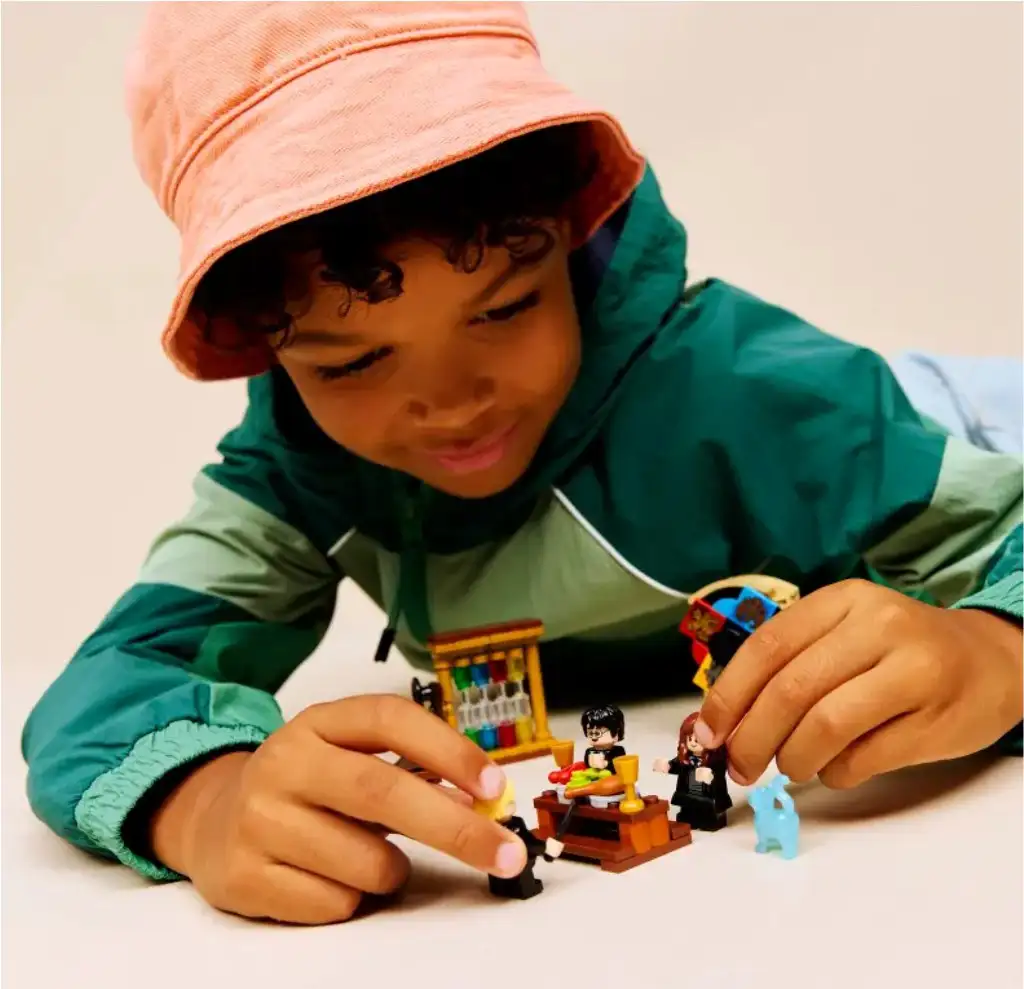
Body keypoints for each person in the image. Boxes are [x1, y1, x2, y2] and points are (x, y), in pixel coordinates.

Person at [21, 2, 1022, 925]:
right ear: (264, 348)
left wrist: (996, 651)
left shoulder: (749, 394)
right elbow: (110, 685)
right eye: (355, 361)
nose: (454, 402)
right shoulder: (294, 480)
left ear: (574, 233)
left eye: (502, 307)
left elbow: (995, 530)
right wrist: (205, 802)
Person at [473, 781, 564, 899]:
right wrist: (545, 848)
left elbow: (528, 838)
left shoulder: (515, 821)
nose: (512, 805)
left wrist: (544, 849)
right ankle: (524, 888)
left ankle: (504, 886)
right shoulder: (496, 830)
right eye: (508, 803)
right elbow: (525, 844)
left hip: (507, 865)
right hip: (512, 865)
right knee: (520, 871)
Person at [654, 713, 733, 831]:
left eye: (697, 740)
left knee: (708, 810)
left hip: (708, 795)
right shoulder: (686, 758)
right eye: (689, 739)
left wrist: (710, 774)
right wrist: (667, 766)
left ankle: (710, 820)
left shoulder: (715, 759)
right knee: (688, 808)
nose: (693, 743)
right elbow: (677, 766)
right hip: (688, 792)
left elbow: (720, 770)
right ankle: (690, 817)